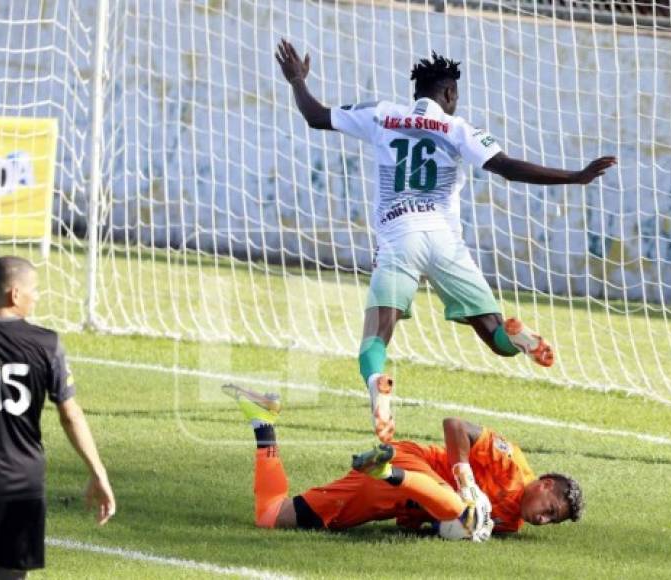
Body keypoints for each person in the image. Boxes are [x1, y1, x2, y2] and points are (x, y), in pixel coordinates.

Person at [275, 40, 617, 443]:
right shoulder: (459, 129)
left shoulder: (382, 114)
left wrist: (298, 80)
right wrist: (574, 176)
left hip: (399, 238)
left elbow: (316, 116)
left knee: (375, 338)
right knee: (496, 338)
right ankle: (520, 337)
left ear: (416, 92)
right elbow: (508, 168)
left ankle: (377, 388)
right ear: (449, 94)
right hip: (445, 242)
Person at [223, 383, 583, 541]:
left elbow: (435, 526)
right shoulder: (512, 465)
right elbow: (455, 425)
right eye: (549, 509)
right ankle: (387, 471)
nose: (542, 518)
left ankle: (262, 420)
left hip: (394, 497)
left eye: (551, 520)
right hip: (411, 463)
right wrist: (464, 476)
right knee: (463, 508)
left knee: (272, 515)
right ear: (545, 484)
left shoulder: (509, 524)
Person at [0, 256, 115, 579]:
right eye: (34, 290)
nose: (38, 297)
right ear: (15, 294)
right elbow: (70, 415)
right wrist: (98, 473)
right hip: (19, 482)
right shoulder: (46, 343)